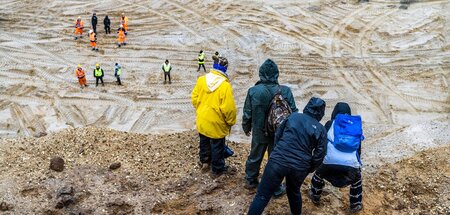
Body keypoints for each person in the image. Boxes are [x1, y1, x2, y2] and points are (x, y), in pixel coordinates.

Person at [247, 97, 327, 215]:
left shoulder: (293, 117)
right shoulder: (321, 129)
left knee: (262, 195)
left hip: (278, 160)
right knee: (294, 192)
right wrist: (310, 167)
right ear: (321, 112)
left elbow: (278, 135)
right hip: (300, 166)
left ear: (307, 107)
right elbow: (320, 154)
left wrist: (277, 151)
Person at [242, 59, 298, 193]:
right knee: (275, 159)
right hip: (278, 132)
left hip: (259, 131)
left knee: (255, 156)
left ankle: (251, 180)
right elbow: (294, 112)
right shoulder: (285, 91)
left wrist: (246, 127)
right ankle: (275, 187)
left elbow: (247, 113)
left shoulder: (253, 91)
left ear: (261, 74)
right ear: (276, 74)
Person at [308, 102, 364, 213]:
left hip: (329, 164)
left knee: (319, 174)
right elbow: (358, 150)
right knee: (357, 179)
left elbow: (322, 143)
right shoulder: (354, 127)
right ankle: (355, 203)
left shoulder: (329, 123)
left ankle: (315, 195)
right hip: (350, 166)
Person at [191, 57, 236, 176]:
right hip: (217, 123)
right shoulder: (225, 86)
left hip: (202, 119)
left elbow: (194, 98)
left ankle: (205, 162)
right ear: (225, 69)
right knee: (217, 146)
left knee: (204, 141)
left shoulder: (201, 80)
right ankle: (217, 169)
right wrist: (231, 121)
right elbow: (228, 108)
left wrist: (201, 110)